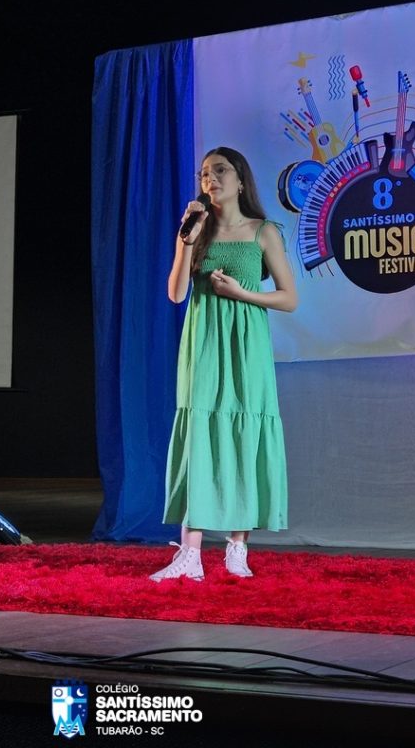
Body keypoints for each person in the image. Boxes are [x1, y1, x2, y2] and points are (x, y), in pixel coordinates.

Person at [150, 147, 297, 582]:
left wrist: (242, 293)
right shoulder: (197, 230)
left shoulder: (263, 231)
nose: (210, 178)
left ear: (240, 180)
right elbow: (177, 293)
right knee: (200, 433)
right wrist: (186, 241)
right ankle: (190, 554)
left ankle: (237, 548)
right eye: (204, 173)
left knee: (244, 432)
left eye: (219, 170)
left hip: (247, 345)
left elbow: (289, 298)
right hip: (203, 344)